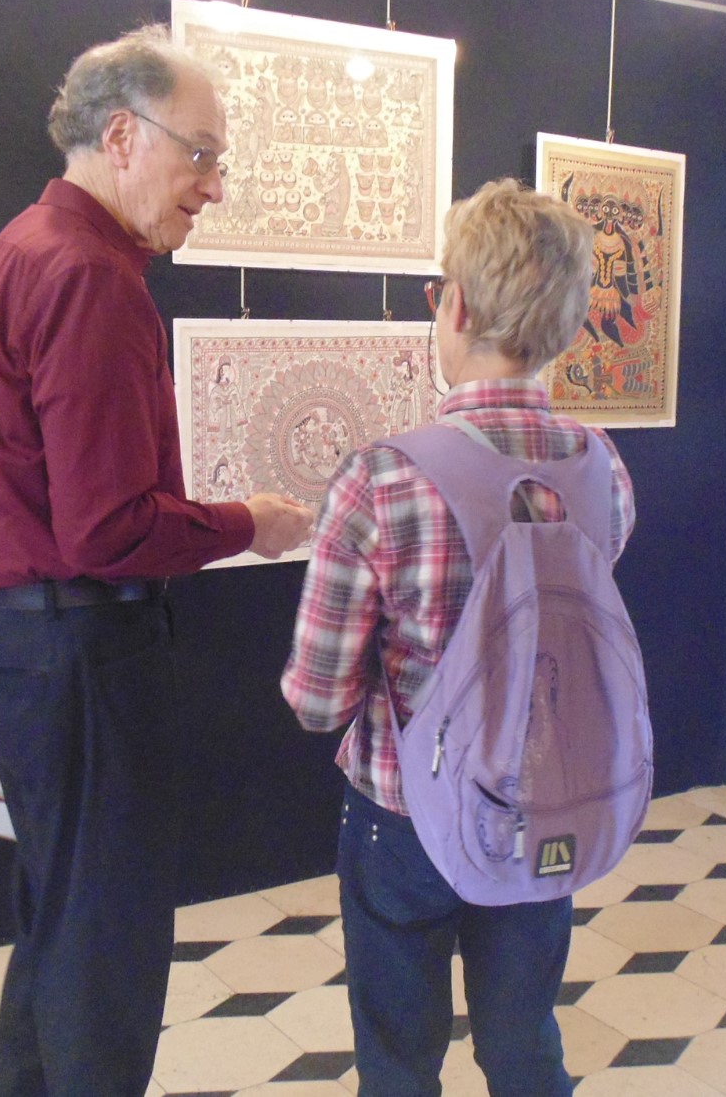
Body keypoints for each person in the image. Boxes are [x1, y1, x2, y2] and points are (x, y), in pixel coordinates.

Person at [0, 25, 314, 1097]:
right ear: (120, 136)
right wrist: (246, 524)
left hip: (26, 636)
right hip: (79, 644)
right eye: (201, 153)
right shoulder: (87, 277)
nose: (214, 186)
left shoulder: (26, 250)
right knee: (105, 943)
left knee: (61, 918)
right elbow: (105, 529)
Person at [281, 178, 638, 1096]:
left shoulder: (382, 479)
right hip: (545, 799)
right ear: (568, 323)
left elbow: (317, 701)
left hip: (404, 814)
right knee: (524, 1045)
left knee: (399, 1062)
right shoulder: (603, 470)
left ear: (460, 308)